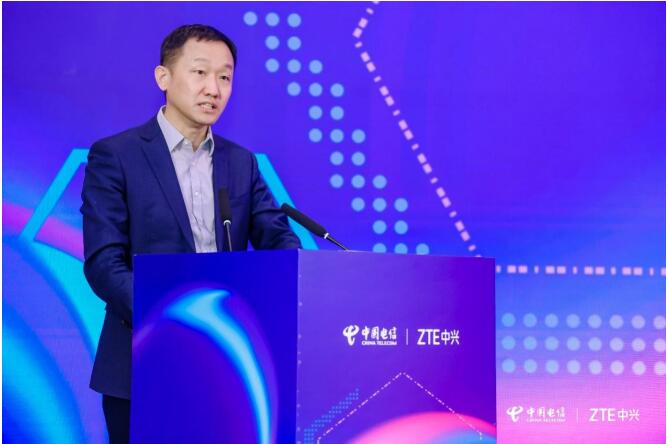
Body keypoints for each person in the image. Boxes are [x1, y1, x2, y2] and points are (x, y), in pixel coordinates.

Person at [81, 24, 301, 443]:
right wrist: (178, 320)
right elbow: (104, 265)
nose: (213, 89)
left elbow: (279, 240)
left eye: (225, 77)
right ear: (163, 77)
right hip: (143, 360)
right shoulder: (117, 155)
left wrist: (292, 286)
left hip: (229, 367)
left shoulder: (241, 162)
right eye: (200, 72)